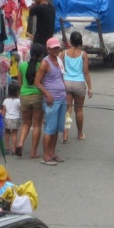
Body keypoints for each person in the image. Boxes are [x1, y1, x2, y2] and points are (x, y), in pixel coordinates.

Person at [37, 37, 68, 165]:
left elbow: (61, 77)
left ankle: (52, 153)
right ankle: (45, 156)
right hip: (51, 99)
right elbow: (37, 82)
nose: (56, 50)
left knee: (56, 128)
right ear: (48, 49)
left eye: (57, 48)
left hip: (62, 98)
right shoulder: (45, 63)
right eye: (54, 48)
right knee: (49, 128)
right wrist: (47, 94)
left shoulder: (59, 60)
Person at [62, 31, 92, 141]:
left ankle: (65, 134)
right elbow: (86, 72)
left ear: (70, 41)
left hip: (66, 82)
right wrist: (90, 88)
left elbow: (60, 70)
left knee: (67, 109)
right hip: (79, 83)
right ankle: (80, 134)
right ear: (80, 42)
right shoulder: (83, 55)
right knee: (78, 110)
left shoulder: (63, 53)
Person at [19, 43, 46, 158]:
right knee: (36, 125)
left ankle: (20, 143)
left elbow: (19, 83)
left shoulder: (22, 65)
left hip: (24, 96)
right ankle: (33, 151)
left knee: (25, 123)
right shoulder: (42, 66)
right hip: (38, 97)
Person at [2, 84, 22, 153]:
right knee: (14, 134)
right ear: (17, 92)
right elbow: (21, 109)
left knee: (7, 133)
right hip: (15, 118)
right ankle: (14, 149)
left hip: (7, 118)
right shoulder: (18, 101)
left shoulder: (5, 100)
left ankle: (7, 148)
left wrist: (2, 117)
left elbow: (4, 111)